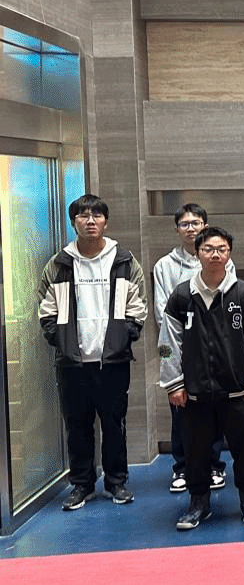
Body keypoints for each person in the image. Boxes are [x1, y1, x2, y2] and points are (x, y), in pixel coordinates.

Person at [38, 194, 148, 511]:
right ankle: (82, 485)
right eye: (83, 216)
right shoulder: (59, 264)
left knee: (114, 424)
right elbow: (45, 308)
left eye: (96, 215)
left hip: (112, 360)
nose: (90, 221)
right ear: (73, 222)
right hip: (72, 362)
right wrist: (59, 340)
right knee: (77, 426)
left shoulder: (123, 261)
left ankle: (116, 483)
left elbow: (138, 303)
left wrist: (126, 336)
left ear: (105, 222)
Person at [159, 226, 244, 529]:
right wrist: (173, 382)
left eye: (221, 249)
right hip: (194, 392)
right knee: (196, 452)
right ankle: (198, 503)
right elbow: (168, 342)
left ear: (229, 253)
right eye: (208, 249)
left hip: (237, 391)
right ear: (198, 253)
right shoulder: (182, 295)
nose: (215, 254)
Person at [152, 203, 229, 494]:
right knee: (181, 410)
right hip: (181, 350)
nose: (191, 228)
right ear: (177, 229)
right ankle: (182, 468)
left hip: (215, 349)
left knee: (215, 408)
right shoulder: (164, 266)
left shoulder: (221, 260)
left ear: (205, 226)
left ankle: (214, 466)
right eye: (185, 224)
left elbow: (226, 304)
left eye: (196, 223)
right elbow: (163, 311)